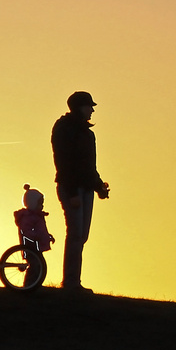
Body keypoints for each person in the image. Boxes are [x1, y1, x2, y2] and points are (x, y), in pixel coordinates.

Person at [52, 91, 110, 292]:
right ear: (78, 107)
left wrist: (99, 186)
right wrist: (72, 192)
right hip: (73, 190)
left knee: (81, 235)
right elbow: (64, 162)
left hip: (85, 190)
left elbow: (89, 166)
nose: (92, 110)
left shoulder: (87, 133)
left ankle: (73, 281)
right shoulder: (64, 129)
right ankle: (70, 283)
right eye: (89, 106)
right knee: (76, 234)